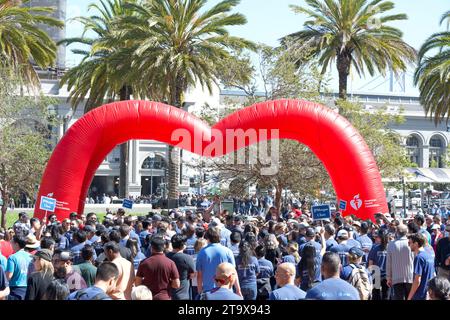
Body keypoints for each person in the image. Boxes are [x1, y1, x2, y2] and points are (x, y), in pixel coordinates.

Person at [196, 227, 241, 296]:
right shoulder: (228, 251)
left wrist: (199, 291)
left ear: (207, 237)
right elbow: (233, 272)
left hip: (208, 292)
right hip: (226, 291)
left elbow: (199, 275)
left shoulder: (201, 253)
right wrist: (238, 290)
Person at [386, 224, 414, 300]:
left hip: (396, 277)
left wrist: (388, 277)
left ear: (396, 232)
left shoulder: (391, 244)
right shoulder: (411, 243)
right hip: (409, 277)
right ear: (407, 231)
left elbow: (388, 263)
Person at [166, 234, 196, 300]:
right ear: (183, 245)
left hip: (168, 293)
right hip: (182, 295)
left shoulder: (166, 257)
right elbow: (193, 274)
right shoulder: (187, 258)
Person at [407, 233, 435, 300]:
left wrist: (409, 297)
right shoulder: (428, 254)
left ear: (416, 244)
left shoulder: (419, 258)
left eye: (410, 243)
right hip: (428, 294)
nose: (408, 245)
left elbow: (417, 280)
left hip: (420, 295)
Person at [5, 235, 33, 300]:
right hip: (29, 289)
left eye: (12, 242)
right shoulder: (31, 257)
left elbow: (8, 276)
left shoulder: (12, 257)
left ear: (16, 244)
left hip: (15, 291)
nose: (10, 243)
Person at [368, 229, 389, 300]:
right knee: (385, 295)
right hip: (387, 274)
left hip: (376, 274)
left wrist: (370, 274)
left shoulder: (375, 248)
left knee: (376, 294)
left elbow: (370, 262)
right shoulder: (390, 248)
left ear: (380, 238)